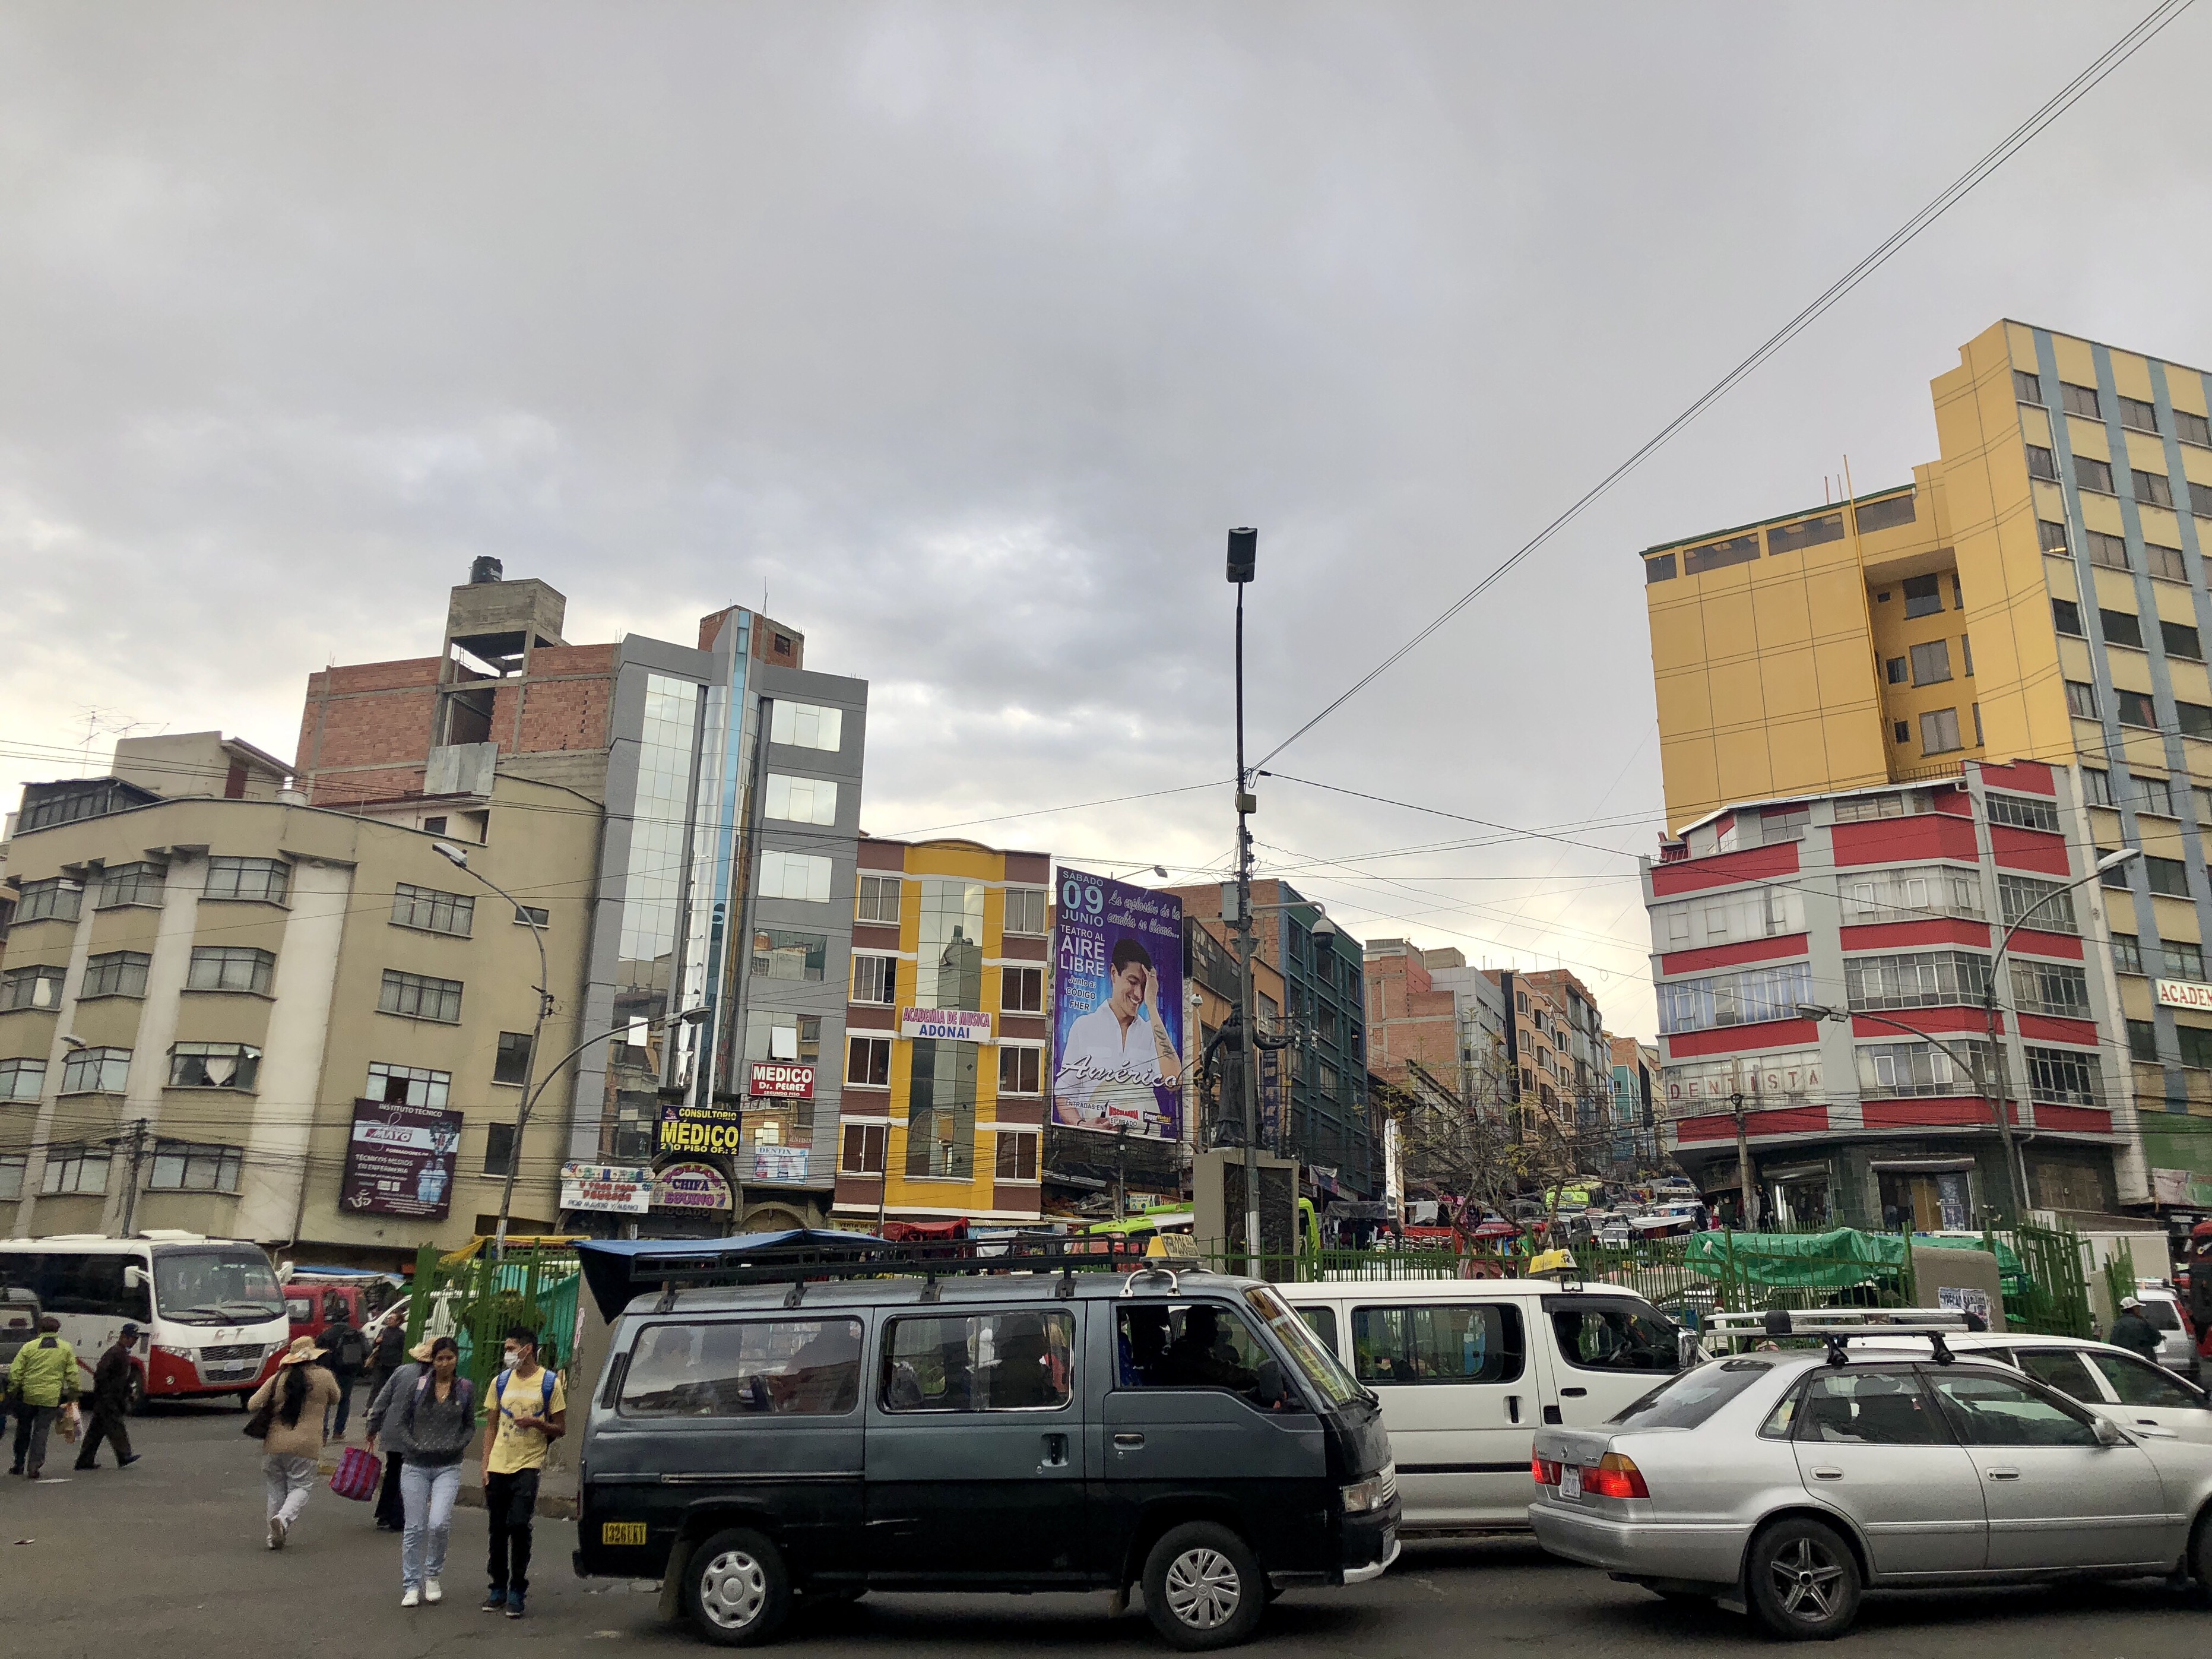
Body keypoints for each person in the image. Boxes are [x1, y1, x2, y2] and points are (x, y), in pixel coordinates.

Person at [370, 1335, 477, 1609]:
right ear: (432, 1361)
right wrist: (413, 1445)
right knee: (414, 1527)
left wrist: (457, 1444)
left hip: (448, 1466)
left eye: (449, 1358)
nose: (444, 1363)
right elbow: (401, 1421)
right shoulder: (418, 1386)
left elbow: (470, 1425)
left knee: (439, 1523)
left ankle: (433, 1576)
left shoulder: (465, 1388)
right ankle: (410, 1584)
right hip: (415, 1465)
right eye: (440, 1359)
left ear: (456, 1359)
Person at [481, 1324, 566, 1619]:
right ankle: (498, 1587)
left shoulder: (550, 1383)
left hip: (528, 1463)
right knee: (497, 1528)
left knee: (518, 1525)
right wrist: (485, 1464)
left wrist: (538, 1424)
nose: (507, 1354)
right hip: (499, 1463)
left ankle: (518, 1588)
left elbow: (560, 1428)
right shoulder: (500, 1382)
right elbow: (491, 1426)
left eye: (510, 1348)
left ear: (527, 1350)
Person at [1053, 937, 1181, 1129]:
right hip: (1092, 1141)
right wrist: (1082, 1124)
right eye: (1133, 982)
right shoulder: (1084, 1027)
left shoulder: (1151, 1032)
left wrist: (1152, 1006)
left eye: (1144, 986)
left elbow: (1175, 1082)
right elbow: (1064, 1093)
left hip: (1143, 1142)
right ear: (1114, 973)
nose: (1139, 994)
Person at [249, 1335, 341, 1549]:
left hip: (274, 1443)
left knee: (276, 1490)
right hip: (306, 1445)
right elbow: (336, 1398)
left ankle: (273, 1538)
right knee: (301, 1487)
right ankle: (283, 1519)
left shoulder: (279, 1378)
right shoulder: (324, 1376)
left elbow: (253, 1404)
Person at [7, 1314, 80, 1480]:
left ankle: (19, 1463)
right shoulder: (65, 1348)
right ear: (57, 1330)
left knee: (23, 1428)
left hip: (28, 1396)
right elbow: (72, 1373)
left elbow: (16, 1372)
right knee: (41, 1431)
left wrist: (12, 1389)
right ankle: (35, 1465)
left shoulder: (29, 1347)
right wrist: (74, 1393)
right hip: (50, 1397)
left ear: (39, 1330)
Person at [73, 1323, 143, 1471]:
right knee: (116, 1426)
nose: (134, 1341)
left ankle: (85, 1460)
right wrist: (106, 1393)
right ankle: (124, 1456)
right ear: (124, 1337)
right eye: (132, 1338)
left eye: (136, 1339)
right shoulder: (115, 1353)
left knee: (96, 1431)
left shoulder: (122, 1353)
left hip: (111, 1397)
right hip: (108, 1397)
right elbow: (101, 1373)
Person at [319, 1304, 369, 1440]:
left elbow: (317, 1351)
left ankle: (323, 1433)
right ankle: (338, 1432)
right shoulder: (356, 1334)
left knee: (326, 1401)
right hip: (349, 1371)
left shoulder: (327, 1334)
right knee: (345, 1400)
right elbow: (367, 1350)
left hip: (330, 1371)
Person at [2108, 1296, 2163, 1363]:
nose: (2139, 1310)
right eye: (2138, 1307)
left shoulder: (2117, 1324)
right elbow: (2156, 1338)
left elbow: (2113, 1342)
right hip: (2143, 1361)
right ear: (2134, 1308)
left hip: (2123, 1362)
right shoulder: (2141, 1323)